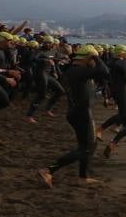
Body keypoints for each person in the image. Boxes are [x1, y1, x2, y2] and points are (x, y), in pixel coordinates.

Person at [37, 44, 109, 187]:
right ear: (88, 58)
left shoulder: (75, 71)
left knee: (89, 145)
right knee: (86, 148)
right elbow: (104, 72)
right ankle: (48, 170)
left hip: (78, 112)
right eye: (93, 59)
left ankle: (83, 176)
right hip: (81, 113)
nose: (94, 62)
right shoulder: (78, 71)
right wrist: (95, 56)